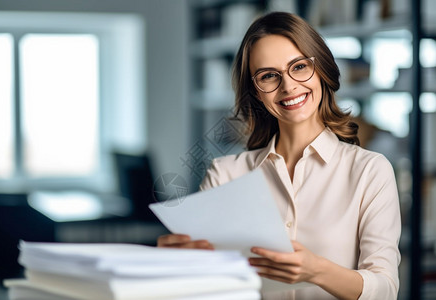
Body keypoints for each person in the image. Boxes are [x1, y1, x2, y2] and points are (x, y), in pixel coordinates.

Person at [157, 12, 401, 300]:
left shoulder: (369, 171)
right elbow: (207, 289)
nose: (288, 86)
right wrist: (175, 265)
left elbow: (385, 289)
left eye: (299, 67)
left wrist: (317, 271)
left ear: (321, 69)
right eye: (269, 76)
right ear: (256, 93)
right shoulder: (225, 174)